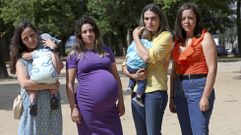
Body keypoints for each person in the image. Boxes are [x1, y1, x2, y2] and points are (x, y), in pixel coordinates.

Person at [66, 15, 125, 135]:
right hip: (87, 108)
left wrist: (121, 100)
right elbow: (69, 84)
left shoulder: (106, 50)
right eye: (84, 32)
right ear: (79, 35)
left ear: (95, 32)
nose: (88, 34)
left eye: (91, 30)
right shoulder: (74, 54)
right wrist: (73, 107)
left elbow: (116, 78)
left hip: (110, 109)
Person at [122, 4, 173, 135]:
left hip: (155, 91)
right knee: (141, 132)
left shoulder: (165, 36)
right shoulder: (144, 38)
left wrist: (135, 37)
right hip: (137, 92)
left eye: (153, 18)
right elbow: (125, 64)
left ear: (160, 19)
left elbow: (147, 57)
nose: (149, 22)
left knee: (152, 133)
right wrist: (133, 76)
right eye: (146, 18)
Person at [169, 3, 217, 135]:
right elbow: (173, 71)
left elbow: (212, 69)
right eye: (183, 18)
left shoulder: (204, 37)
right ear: (179, 21)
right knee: (186, 132)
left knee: (199, 131)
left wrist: (205, 96)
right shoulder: (177, 41)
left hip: (198, 88)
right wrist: (172, 97)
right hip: (179, 89)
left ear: (196, 19)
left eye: (190, 18)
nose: (187, 21)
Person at [10, 21, 63, 135]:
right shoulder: (21, 60)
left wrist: (53, 48)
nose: (30, 40)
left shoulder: (47, 52)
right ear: (21, 41)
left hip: (52, 107)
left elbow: (58, 69)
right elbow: (25, 84)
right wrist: (51, 85)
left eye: (32, 35)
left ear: (37, 34)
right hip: (34, 109)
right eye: (25, 38)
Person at [22, 33, 62, 116]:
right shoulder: (51, 53)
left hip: (37, 77)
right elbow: (57, 66)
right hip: (51, 77)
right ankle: (53, 97)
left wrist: (22, 54)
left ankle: (32, 101)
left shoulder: (36, 52)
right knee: (53, 84)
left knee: (33, 90)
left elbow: (25, 56)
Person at [126, 29, 152, 107]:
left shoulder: (134, 42)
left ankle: (130, 86)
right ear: (149, 37)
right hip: (139, 66)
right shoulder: (148, 43)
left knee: (133, 74)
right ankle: (138, 96)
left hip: (129, 64)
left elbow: (128, 51)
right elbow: (150, 52)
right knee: (142, 80)